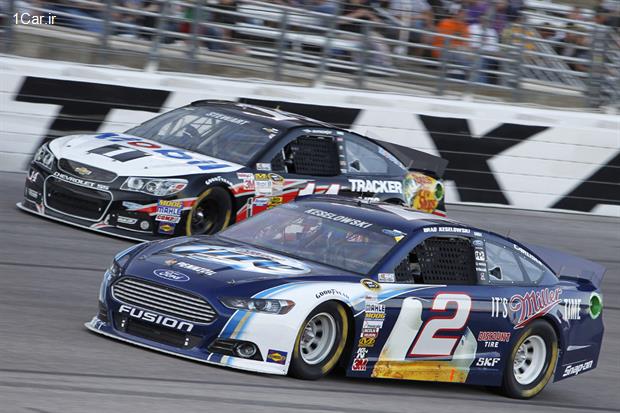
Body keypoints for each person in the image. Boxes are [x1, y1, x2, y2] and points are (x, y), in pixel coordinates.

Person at [432, 6, 471, 77]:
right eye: (462, 13)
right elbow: (444, 42)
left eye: (465, 13)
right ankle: (468, 72)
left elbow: (466, 43)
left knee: (467, 54)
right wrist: (458, 47)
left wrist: (461, 48)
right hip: (442, 49)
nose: (464, 15)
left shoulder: (464, 27)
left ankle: (465, 72)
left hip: (458, 52)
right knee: (460, 52)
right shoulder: (446, 23)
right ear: (456, 13)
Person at [469, 15, 500, 84]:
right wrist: (481, 43)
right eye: (484, 20)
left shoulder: (492, 31)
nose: (485, 22)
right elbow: (471, 45)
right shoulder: (472, 28)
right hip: (475, 54)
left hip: (490, 56)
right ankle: (482, 84)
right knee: (480, 62)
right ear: (480, 19)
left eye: (487, 20)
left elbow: (495, 49)